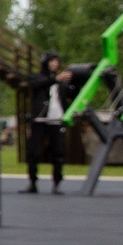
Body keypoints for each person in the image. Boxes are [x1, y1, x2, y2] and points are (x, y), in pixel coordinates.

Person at [23, 52, 73, 191]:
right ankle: (32, 182)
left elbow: (71, 94)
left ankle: (57, 183)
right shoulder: (37, 77)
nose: (54, 64)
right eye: (52, 61)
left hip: (57, 120)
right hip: (40, 119)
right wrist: (56, 79)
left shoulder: (62, 81)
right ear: (45, 63)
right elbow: (38, 84)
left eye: (56, 61)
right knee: (34, 152)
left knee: (58, 152)